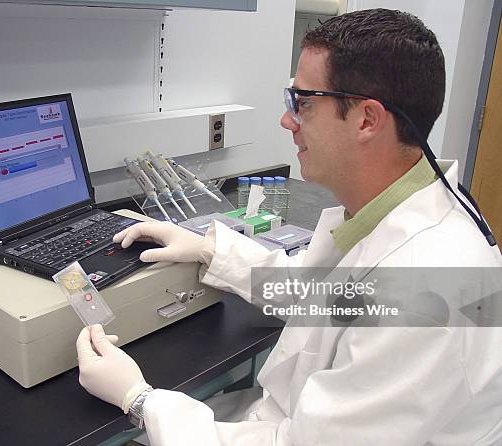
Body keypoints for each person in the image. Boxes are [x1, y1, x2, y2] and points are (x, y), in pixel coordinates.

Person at [76, 9, 502, 445]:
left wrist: (139, 399)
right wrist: (209, 248)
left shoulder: (425, 294)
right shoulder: (401, 209)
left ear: (367, 120)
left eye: (305, 103)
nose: (287, 120)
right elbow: (324, 297)